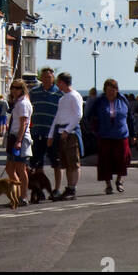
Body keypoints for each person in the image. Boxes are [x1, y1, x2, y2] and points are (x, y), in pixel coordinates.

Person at [87, 78, 134, 194]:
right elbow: (90, 116)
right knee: (105, 161)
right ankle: (108, 185)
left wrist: (133, 134)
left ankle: (119, 181)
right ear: (105, 90)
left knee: (123, 159)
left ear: (117, 90)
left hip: (121, 135)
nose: (111, 92)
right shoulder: (99, 101)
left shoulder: (123, 100)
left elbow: (130, 118)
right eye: (109, 90)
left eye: (113, 90)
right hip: (104, 135)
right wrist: (94, 130)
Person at [47, 72, 84, 200]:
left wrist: (67, 130)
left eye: (59, 82)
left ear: (63, 82)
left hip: (70, 133)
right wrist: (51, 135)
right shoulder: (62, 98)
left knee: (73, 162)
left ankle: (72, 188)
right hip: (61, 131)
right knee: (66, 162)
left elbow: (78, 115)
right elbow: (57, 117)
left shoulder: (75, 96)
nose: (57, 85)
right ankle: (69, 187)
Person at [29, 68, 63, 193]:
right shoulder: (34, 92)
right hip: (37, 132)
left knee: (56, 162)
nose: (46, 79)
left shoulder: (59, 94)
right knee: (38, 162)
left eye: (49, 77)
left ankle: (57, 188)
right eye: (44, 77)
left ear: (53, 78)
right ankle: (39, 188)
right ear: (41, 78)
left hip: (52, 134)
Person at [6, 78, 33, 204]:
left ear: (22, 89)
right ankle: (17, 195)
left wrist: (19, 141)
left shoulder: (23, 103)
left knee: (21, 168)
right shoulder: (18, 102)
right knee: (10, 168)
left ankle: (23, 196)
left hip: (20, 137)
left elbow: (24, 123)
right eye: (12, 87)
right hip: (14, 136)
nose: (14, 90)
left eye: (17, 88)